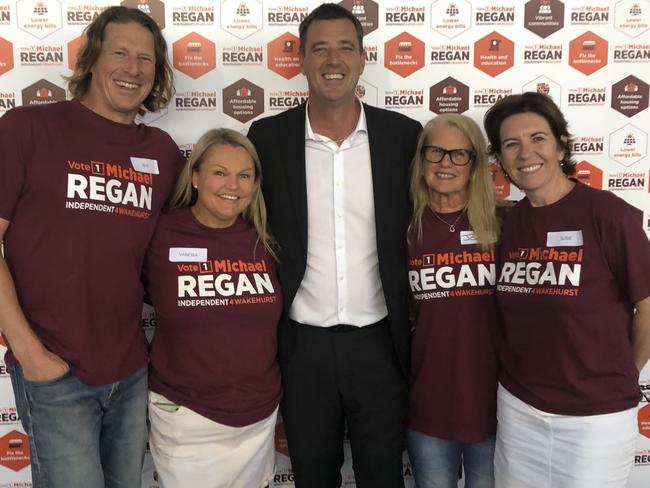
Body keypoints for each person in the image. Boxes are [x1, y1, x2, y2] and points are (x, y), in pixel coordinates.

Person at [0, 6, 182, 487]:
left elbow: (172, 257)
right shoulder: (27, 128)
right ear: (92, 59)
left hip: (131, 370)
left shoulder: (161, 152)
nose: (133, 69)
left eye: (146, 59)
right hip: (55, 372)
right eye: (120, 53)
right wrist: (29, 352)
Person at [247, 3, 421, 487]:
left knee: (384, 476)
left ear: (363, 58)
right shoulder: (267, 137)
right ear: (300, 60)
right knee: (313, 476)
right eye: (319, 48)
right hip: (301, 346)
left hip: (381, 344)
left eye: (345, 47)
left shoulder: (403, 136)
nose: (333, 60)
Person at [484, 92, 650, 487]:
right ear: (501, 159)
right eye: (512, 144)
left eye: (537, 138)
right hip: (519, 408)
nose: (526, 152)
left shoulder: (606, 214)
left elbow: (648, 305)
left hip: (595, 419)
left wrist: (624, 372)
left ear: (561, 145)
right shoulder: (509, 223)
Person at [144, 129, 282, 488]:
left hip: (257, 416)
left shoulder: (265, 238)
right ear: (195, 177)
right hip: (185, 416)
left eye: (244, 175)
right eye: (220, 172)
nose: (232, 185)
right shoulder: (160, 235)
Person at [406, 114, 503, 488]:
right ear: (422, 159)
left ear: (476, 163)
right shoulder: (404, 227)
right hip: (428, 402)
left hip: (496, 403)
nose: (446, 163)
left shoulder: (504, 222)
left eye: (459, 154)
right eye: (436, 152)